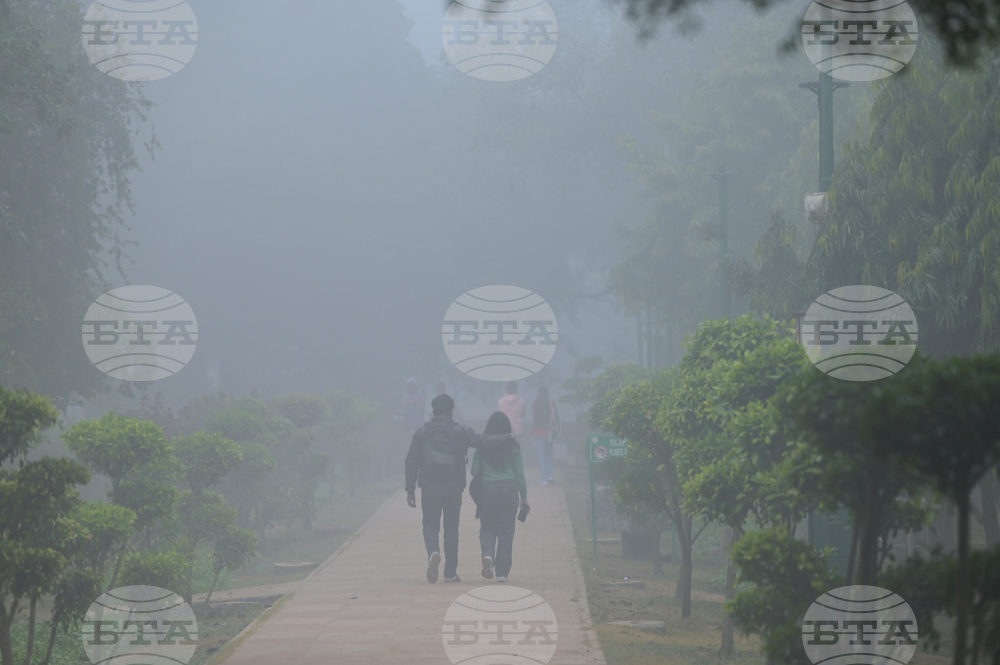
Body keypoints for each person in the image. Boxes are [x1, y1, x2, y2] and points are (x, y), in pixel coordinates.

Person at [404, 394, 513, 584]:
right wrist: (508, 437)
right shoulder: (460, 430)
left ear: (433, 411)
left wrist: (410, 489)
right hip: (453, 488)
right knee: (451, 528)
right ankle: (450, 573)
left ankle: (433, 552)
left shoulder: (422, 432)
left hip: (429, 486)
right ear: (451, 411)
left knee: (430, 525)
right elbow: (484, 442)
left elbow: (411, 461)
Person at [472, 411, 528, 583]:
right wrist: (524, 498)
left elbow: (474, 471)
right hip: (509, 489)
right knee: (506, 532)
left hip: (487, 490)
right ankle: (502, 573)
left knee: (487, 528)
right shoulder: (513, 447)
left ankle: (488, 555)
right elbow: (519, 475)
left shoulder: (482, 446)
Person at [530, 386, 560, 485]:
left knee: (541, 456)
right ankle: (551, 475)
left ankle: (544, 479)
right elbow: (555, 416)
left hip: (537, 432)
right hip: (549, 433)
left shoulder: (535, 404)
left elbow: (533, 416)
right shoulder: (551, 403)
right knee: (549, 454)